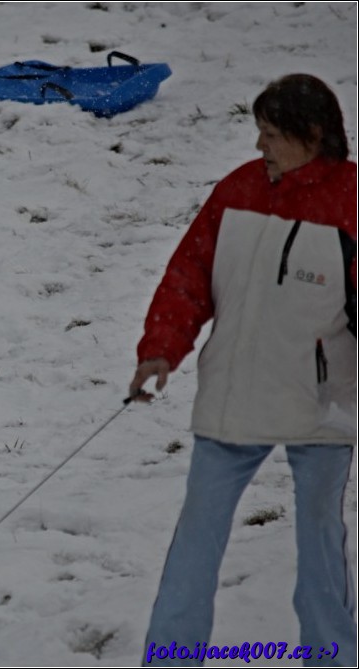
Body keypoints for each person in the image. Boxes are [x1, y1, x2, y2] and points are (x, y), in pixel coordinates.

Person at [130, 73, 356, 666]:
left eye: (272, 134)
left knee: (320, 542)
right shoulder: (239, 189)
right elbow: (189, 276)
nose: (260, 146)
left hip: (324, 399)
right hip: (236, 391)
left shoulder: (352, 203)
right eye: (258, 132)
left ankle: (331, 658)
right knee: (195, 542)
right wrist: (160, 348)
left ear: (312, 136)